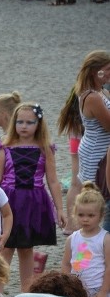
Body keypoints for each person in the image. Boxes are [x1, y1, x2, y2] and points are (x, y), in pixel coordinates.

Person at [0, 102, 65, 292]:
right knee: (6, 246)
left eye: (29, 122)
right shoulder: (5, 147)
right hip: (9, 202)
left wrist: (60, 209)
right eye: (20, 122)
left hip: (33, 203)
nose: (24, 126)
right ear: (13, 123)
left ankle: (27, 291)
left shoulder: (45, 149)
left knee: (27, 249)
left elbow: (53, 181)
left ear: (39, 124)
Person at [60, 51, 110, 227]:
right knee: (97, 198)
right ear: (94, 71)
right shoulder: (93, 97)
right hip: (97, 152)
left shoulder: (101, 90)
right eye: (107, 69)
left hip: (98, 147)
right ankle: (87, 237)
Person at [63, 182, 110, 297]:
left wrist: (104, 291)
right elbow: (67, 264)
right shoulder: (72, 239)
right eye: (81, 215)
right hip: (77, 291)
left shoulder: (105, 239)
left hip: (98, 290)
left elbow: (109, 267)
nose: (86, 219)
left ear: (100, 215)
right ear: (75, 214)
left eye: (91, 215)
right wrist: (66, 286)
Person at [58, 86, 85, 234]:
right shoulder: (92, 95)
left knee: (75, 183)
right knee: (81, 184)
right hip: (85, 142)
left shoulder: (72, 108)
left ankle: (70, 224)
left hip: (75, 141)